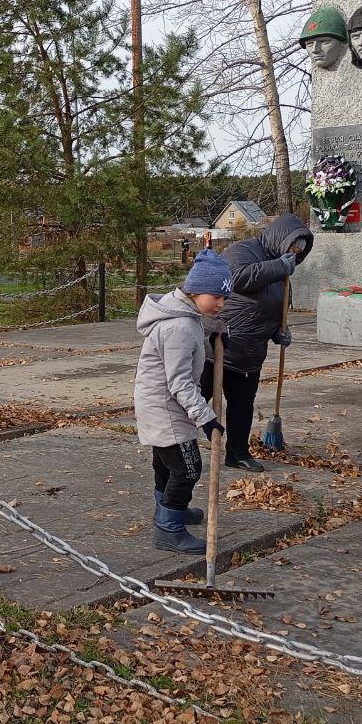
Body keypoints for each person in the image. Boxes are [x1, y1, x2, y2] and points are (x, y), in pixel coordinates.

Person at [134, 249, 232, 554]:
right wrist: (206, 417)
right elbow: (180, 382)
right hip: (166, 408)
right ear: (195, 289)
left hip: (160, 404)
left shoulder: (185, 315)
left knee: (166, 464)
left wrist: (215, 336)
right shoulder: (178, 326)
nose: (220, 303)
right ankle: (168, 528)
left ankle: (168, 509)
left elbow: (189, 351)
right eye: (216, 296)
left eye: (224, 298)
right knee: (187, 467)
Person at [202, 214, 314, 472]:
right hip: (218, 345)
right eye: (293, 246)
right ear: (280, 238)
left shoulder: (283, 271)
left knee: (242, 405)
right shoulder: (243, 250)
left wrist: (278, 332)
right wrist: (279, 266)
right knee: (197, 398)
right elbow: (236, 277)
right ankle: (176, 446)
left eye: (300, 250)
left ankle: (237, 453)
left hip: (250, 353)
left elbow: (275, 309)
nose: (295, 253)